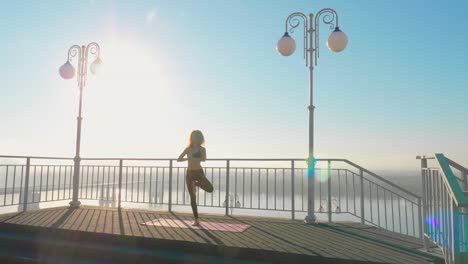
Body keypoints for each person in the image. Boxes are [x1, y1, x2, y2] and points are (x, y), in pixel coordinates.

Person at [177, 130, 213, 226]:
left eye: (196, 137)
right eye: (193, 136)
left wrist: (193, 158)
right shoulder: (188, 149)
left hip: (198, 172)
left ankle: (196, 184)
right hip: (189, 173)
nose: (195, 138)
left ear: (200, 138)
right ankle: (196, 219)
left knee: (210, 188)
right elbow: (179, 159)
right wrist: (187, 158)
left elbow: (204, 159)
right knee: (192, 197)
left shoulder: (202, 149)